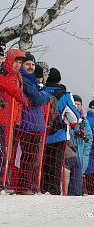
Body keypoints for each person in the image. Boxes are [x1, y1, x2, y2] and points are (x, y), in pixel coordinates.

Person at [14, 52, 50, 194]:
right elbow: (38, 98)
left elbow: (42, 95)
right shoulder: (24, 79)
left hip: (36, 124)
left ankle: (29, 185)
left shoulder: (33, 79)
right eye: (28, 64)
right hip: (26, 123)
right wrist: (44, 93)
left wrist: (43, 93)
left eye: (33, 64)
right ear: (22, 64)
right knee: (26, 157)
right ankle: (23, 186)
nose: (31, 67)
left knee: (32, 158)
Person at [42, 67, 80, 195]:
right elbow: (74, 119)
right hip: (60, 135)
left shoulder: (41, 90)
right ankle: (53, 191)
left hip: (42, 133)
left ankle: (42, 189)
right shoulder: (65, 95)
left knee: (44, 164)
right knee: (56, 165)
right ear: (59, 80)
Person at [0, 48, 29, 192]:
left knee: (8, 153)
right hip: (2, 119)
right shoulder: (3, 73)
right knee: (2, 151)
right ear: (10, 60)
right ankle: (2, 182)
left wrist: (17, 119)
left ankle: (5, 181)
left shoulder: (18, 77)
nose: (17, 65)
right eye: (16, 62)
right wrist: (20, 96)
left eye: (20, 63)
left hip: (11, 120)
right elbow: (8, 87)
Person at [64, 94, 93, 196]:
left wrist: (85, 159)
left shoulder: (85, 122)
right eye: (74, 104)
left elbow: (88, 141)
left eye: (79, 104)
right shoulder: (67, 119)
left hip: (81, 158)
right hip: (69, 156)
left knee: (77, 188)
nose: (76, 106)